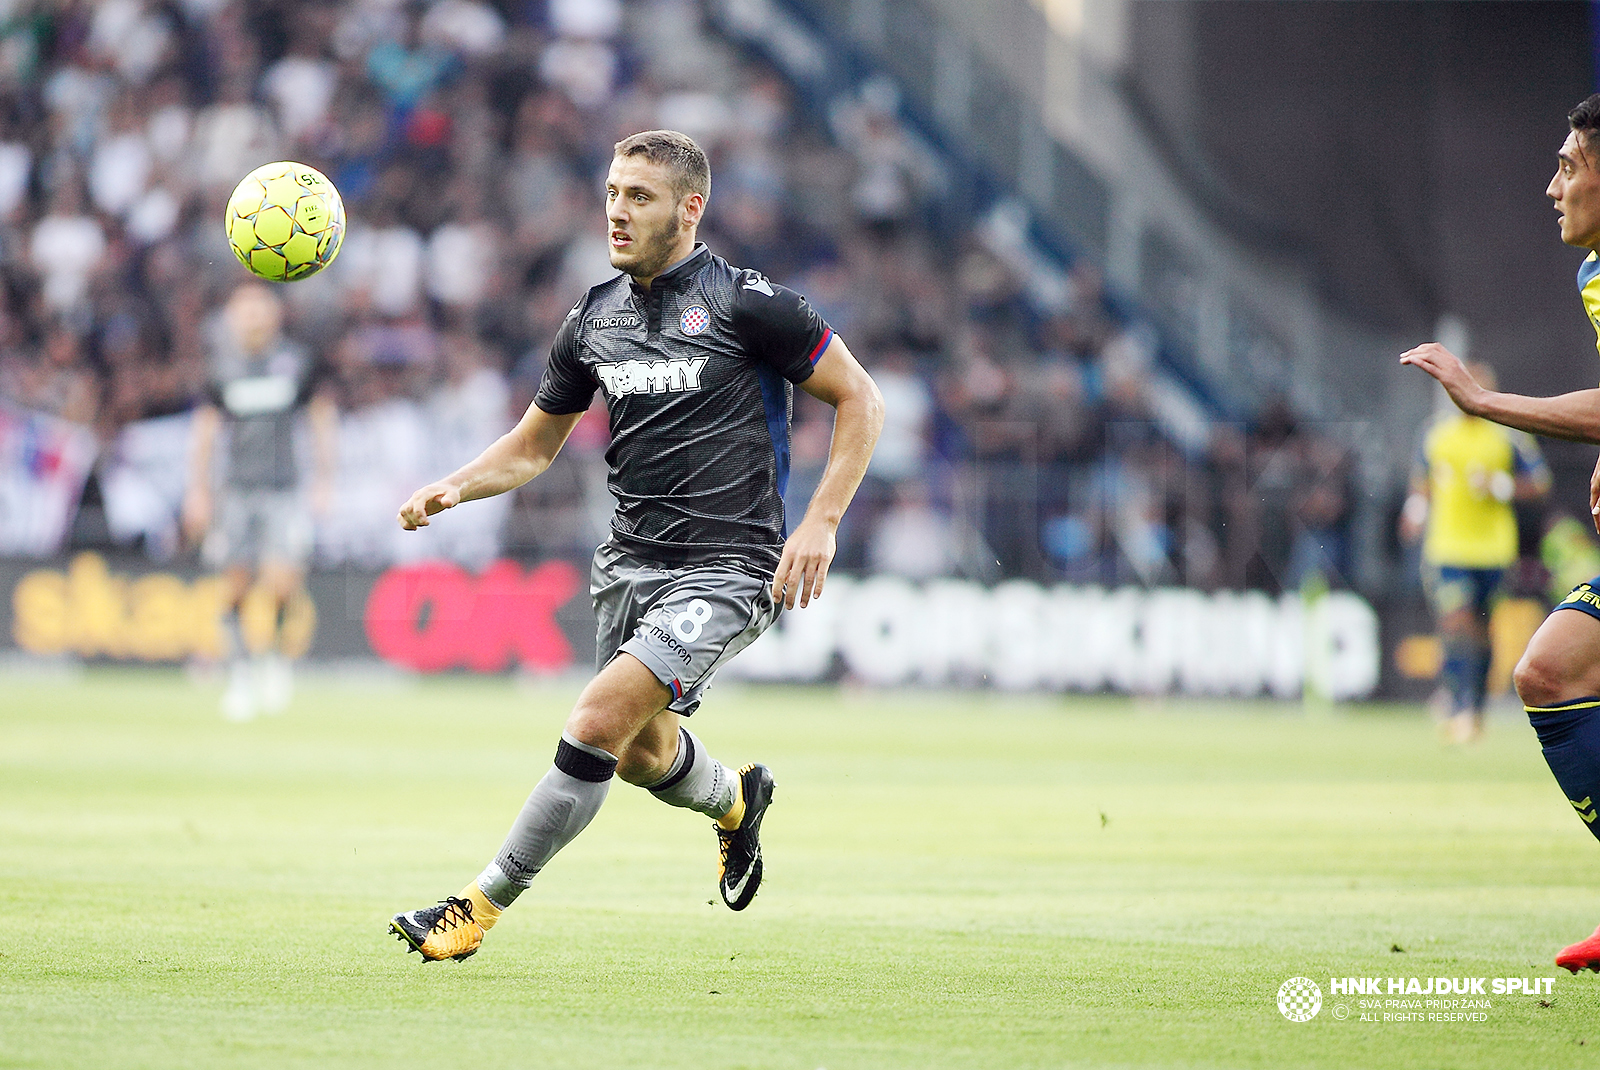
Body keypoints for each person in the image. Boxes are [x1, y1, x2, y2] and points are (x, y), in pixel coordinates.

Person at [388, 130, 884, 962]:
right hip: (628, 565)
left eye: (640, 197)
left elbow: (860, 399)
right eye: (614, 192)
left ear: (691, 209)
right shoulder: (592, 316)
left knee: (594, 720)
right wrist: (456, 485)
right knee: (638, 752)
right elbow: (534, 444)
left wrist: (822, 521)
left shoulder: (750, 304)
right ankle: (733, 799)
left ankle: (476, 906)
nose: (618, 211)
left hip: (728, 567)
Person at [1401, 93, 1600, 971]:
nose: (1552, 185)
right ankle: (1457, 707)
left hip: (1490, 552)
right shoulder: (1596, 278)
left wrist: (1488, 404)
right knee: (1543, 669)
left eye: (1569, 166)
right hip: (1455, 552)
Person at [184, 283, 335, 722]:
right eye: (243, 307)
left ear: (275, 313)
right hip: (236, 490)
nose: (252, 315)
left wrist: (325, 480)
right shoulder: (221, 366)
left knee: (284, 581)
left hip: (285, 488)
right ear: (231, 316)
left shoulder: (298, 362)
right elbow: (206, 432)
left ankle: (274, 661)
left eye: (259, 306)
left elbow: (321, 419)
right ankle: (240, 675)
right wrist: (198, 490)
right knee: (234, 586)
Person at [1399, 362, 1550, 744]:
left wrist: (1500, 486)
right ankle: (1457, 702)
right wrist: (1414, 514)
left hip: (1494, 551)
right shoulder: (1435, 433)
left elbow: (1540, 482)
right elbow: (1422, 484)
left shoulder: (1507, 435)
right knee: (1456, 619)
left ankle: (1476, 707)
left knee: (1482, 631)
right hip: (1447, 548)